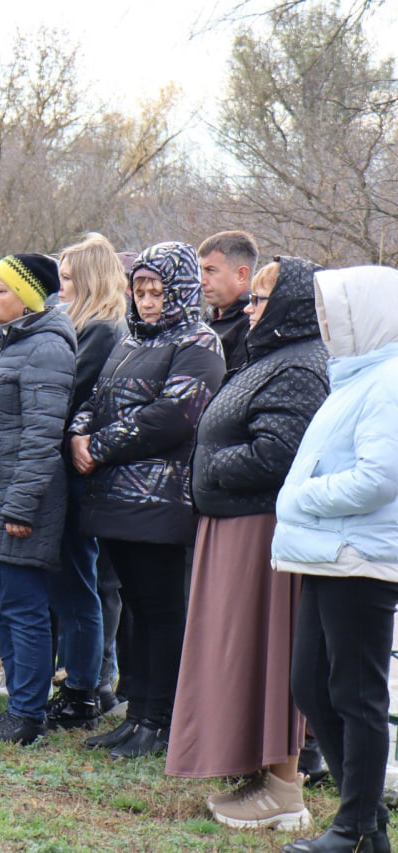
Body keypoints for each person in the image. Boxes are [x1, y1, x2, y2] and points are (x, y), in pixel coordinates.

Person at [166, 257, 329, 830]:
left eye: (261, 299)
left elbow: (278, 453)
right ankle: (259, 772)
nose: (251, 308)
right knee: (242, 653)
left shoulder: (301, 364)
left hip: (259, 531)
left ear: (290, 305)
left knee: (264, 651)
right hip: (236, 524)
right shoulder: (274, 355)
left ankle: (283, 789)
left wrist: (209, 465)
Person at [70, 241, 225, 758]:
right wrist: (77, 435)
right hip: (114, 499)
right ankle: (136, 716)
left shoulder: (199, 342)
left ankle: (160, 722)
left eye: (158, 291)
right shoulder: (130, 340)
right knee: (137, 610)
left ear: (180, 290)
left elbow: (173, 416)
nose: (148, 301)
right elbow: (94, 398)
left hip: (161, 501)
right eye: (140, 291)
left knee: (162, 614)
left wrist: (97, 446)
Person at [271, 265, 398, 853]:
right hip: (329, 554)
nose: (325, 323)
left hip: (360, 558)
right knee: (312, 687)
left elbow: (379, 479)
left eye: (335, 310)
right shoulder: (354, 379)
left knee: (356, 695)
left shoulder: (389, 382)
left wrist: (300, 497)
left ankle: (355, 828)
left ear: (366, 314)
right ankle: (367, 825)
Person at [0, 254, 75, 743]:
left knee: (24, 608)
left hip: (17, 504)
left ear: (27, 298)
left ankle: (27, 715)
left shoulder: (46, 348)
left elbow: (42, 437)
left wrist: (21, 506)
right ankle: (16, 705)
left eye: (0, 290)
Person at [45, 234, 130, 729]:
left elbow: (70, 395)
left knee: (85, 583)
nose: (61, 286)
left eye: (68, 277)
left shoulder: (99, 331)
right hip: (80, 469)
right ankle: (90, 680)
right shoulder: (91, 325)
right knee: (88, 582)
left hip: (82, 472)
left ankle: (89, 684)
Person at [198, 231, 258, 371]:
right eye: (201, 271)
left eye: (210, 270)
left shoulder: (252, 325)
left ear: (241, 275)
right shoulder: (209, 317)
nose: (202, 281)